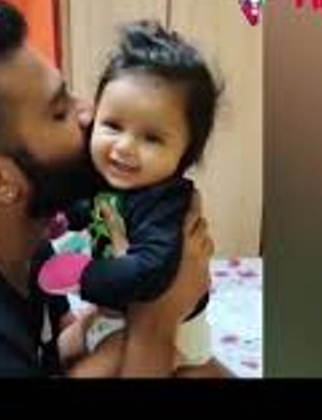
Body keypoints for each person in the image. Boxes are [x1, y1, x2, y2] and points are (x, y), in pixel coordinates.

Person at [0, 0, 215, 377]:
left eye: (68, 92)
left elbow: (57, 352)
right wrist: (156, 319)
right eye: (59, 111)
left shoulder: (19, 241)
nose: (89, 114)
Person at [40, 20, 222, 371]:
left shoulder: (166, 205)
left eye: (151, 138)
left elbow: (150, 270)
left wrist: (85, 276)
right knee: (59, 352)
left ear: (185, 155)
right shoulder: (112, 177)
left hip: (167, 328)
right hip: (113, 313)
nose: (124, 147)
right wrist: (66, 218)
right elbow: (93, 206)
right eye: (113, 125)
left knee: (91, 367)